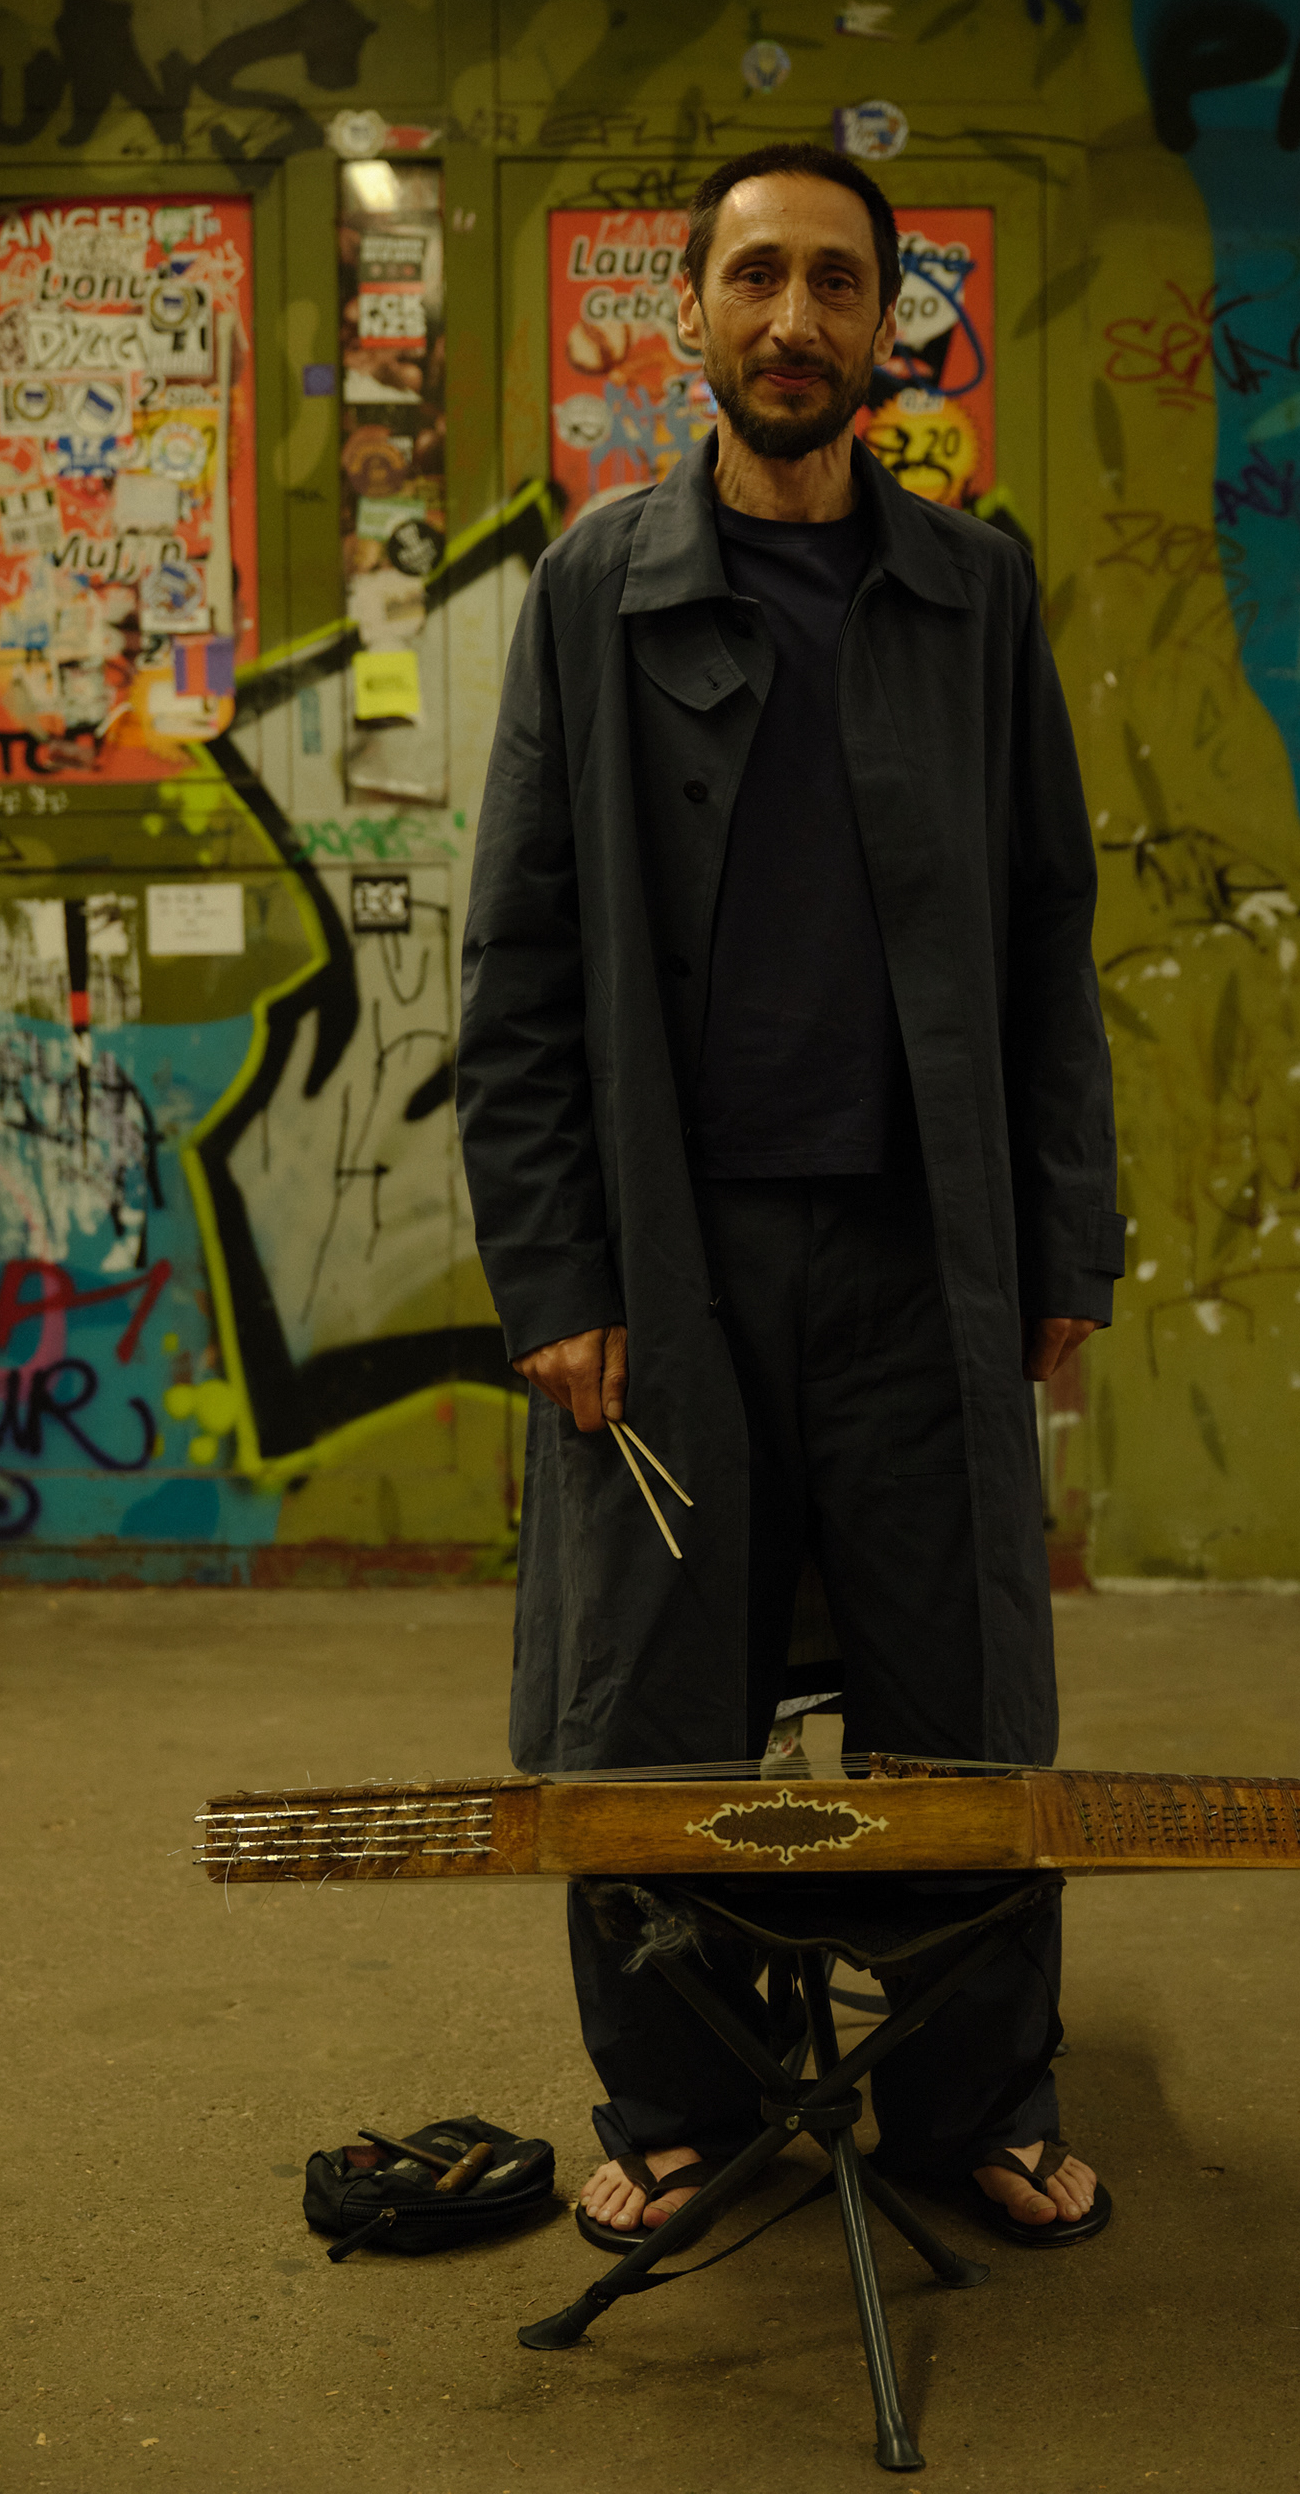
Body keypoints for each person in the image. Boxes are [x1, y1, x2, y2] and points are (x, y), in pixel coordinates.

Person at [455, 141, 1124, 2250]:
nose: (794, 319)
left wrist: (1064, 1237)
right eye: (756, 277)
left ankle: (968, 2098)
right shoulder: (597, 591)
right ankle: (679, 2102)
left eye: (837, 281)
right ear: (692, 313)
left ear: (887, 322)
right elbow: (520, 959)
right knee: (653, 1700)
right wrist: (554, 1271)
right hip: (677, 1266)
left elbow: (1046, 937)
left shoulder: (974, 592)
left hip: (926, 1254)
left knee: (961, 1698)